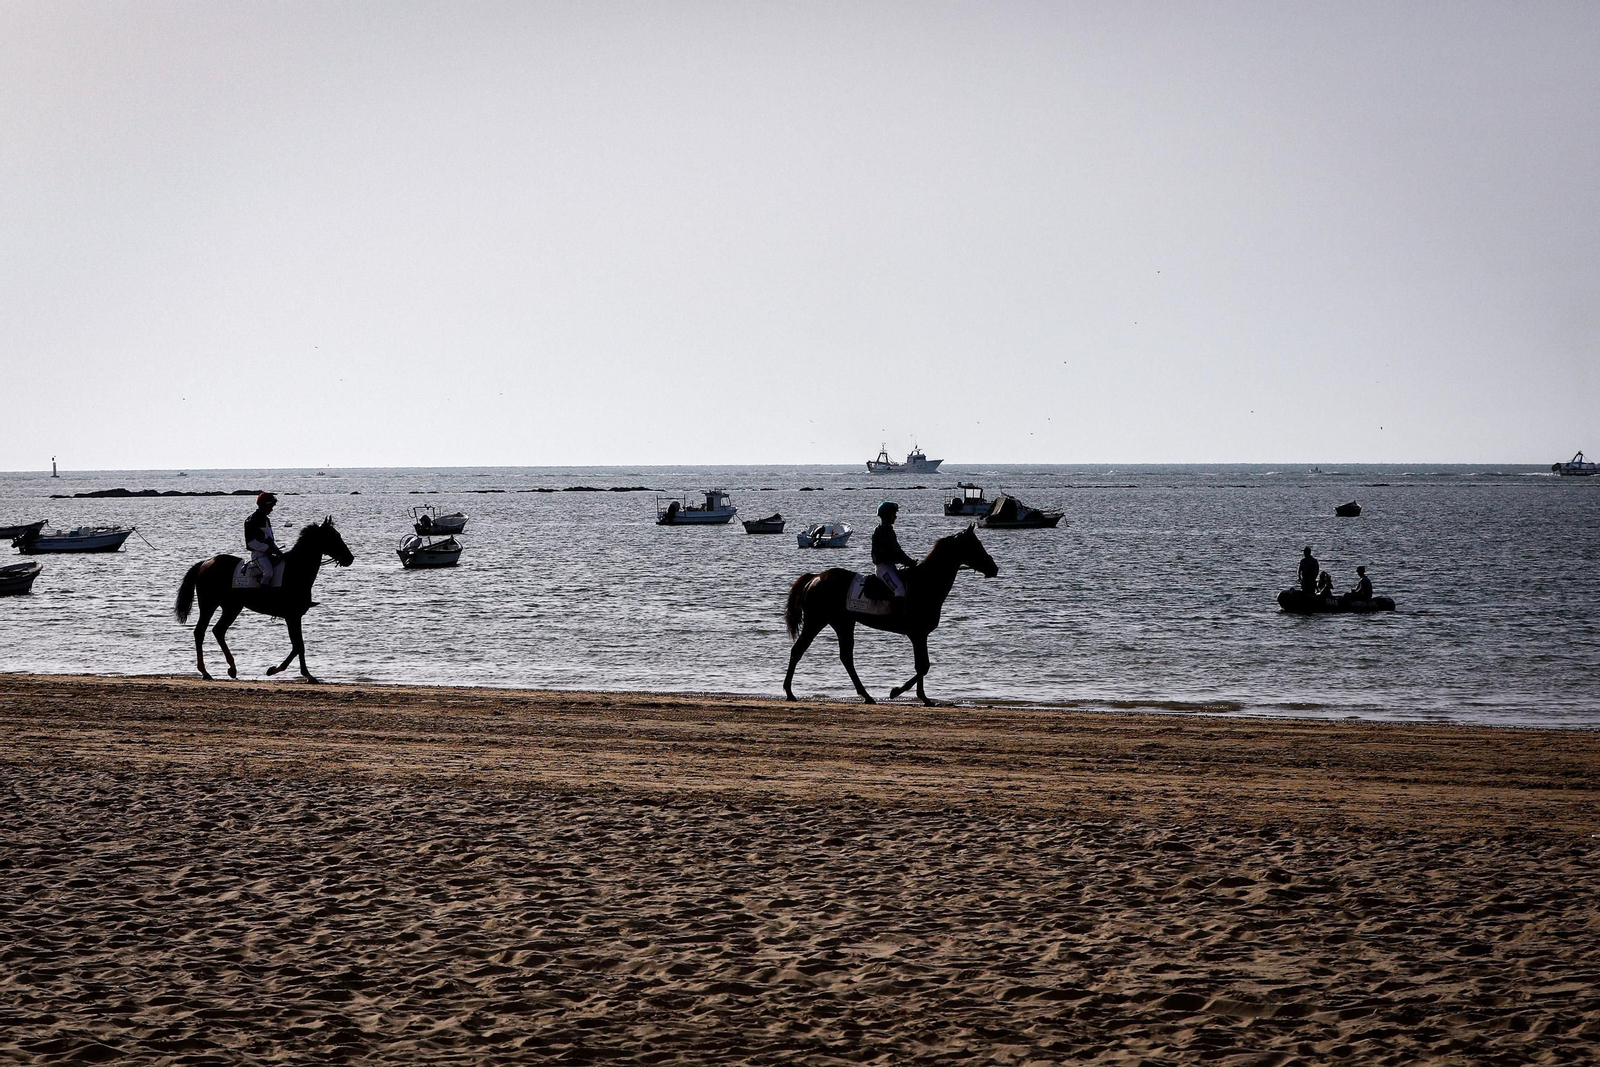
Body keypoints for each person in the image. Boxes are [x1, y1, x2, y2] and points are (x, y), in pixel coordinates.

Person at [871, 500, 917, 599]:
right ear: (886, 516)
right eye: (893, 514)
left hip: (891, 567)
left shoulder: (889, 531)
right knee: (900, 590)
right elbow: (891, 554)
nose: (895, 516)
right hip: (883, 568)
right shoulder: (880, 532)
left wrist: (909, 561)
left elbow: (898, 550)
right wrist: (906, 562)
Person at [245, 492, 283, 588]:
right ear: (263, 505)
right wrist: (267, 548)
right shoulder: (251, 520)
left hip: (268, 553)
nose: (272, 509)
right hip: (258, 554)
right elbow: (250, 543)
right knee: (268, 573)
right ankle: (262, 598)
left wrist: (277, 550)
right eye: (270, 506)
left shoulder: (266, 520)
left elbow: (270, 539)